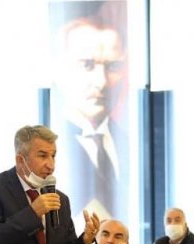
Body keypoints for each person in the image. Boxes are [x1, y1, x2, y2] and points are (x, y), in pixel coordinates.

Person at [51, 2, 129, 219]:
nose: (101, 81)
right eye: (87, 65)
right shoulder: (48, 149)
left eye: (113, 67)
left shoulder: (134, 146)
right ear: (58, 69)